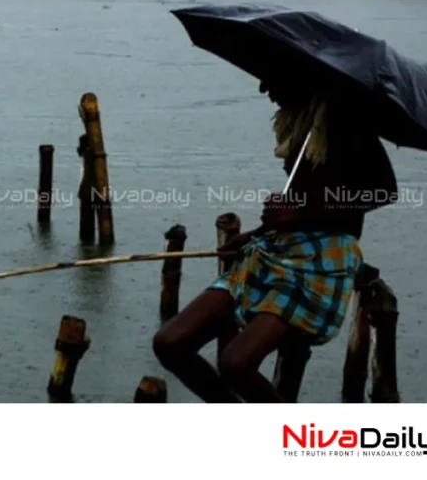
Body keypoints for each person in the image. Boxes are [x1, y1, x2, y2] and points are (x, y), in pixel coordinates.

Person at [152, 80, 398, 402]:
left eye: (274, 77)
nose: (263, 87)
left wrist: (300, 214)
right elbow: (299, 200)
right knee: (170, 343)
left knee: (235, 364)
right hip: (276, 248)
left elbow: (383, 191)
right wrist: (255, 234)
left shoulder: (345, 119)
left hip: (321, 262)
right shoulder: (299, 120)